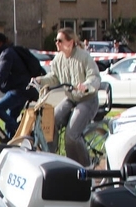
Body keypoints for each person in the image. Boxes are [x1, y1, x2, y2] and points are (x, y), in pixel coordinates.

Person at [37, 28, 101, 164]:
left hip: (87, 100)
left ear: (70, 42)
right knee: (50, 121)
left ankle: (83, 166)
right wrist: (40, 80)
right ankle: (53, 158)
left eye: (60, 40)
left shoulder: (84, 57)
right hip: (71, 98)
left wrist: (86, 86)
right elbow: (54, 77)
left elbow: (94, 77)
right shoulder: (58, 59)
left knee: (71, 135)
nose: (57, 43)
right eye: (56, 40)